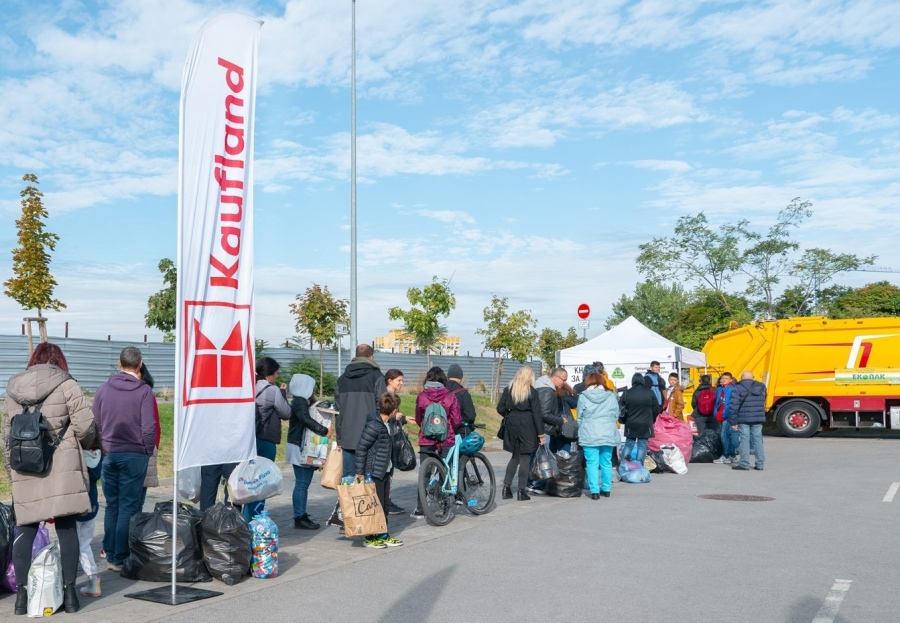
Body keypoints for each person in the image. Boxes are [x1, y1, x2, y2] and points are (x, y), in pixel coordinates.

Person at [1, 342, 96, 615]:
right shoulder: (67, 385)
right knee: (66, 530)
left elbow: (6, 437)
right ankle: (70, 596)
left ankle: (21, 598)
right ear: (60, 361)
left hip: (24, 469)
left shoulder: (11, 391)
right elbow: (86, 425)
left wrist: (13, 471)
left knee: (26, 530)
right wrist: (88, 444)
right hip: (61, 468)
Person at [93, 346, 156, 573]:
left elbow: (96, 424)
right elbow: (149, 427)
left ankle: (110, 553)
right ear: (140, 365)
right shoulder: (143, 391)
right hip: (135, 454)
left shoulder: (102, 389)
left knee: (112, 506)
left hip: (109, 454)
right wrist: (147, 451)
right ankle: (120, 556)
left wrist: (102, 448)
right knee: (128, 506)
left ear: (119, 364)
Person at [331, 344, 386, 527]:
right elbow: (382, 405)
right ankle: (369, 521)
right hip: (370, 436)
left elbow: (338, 411)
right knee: (370, 481)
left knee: (349, 479)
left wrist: (339, 438)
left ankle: (348, 519)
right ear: (371, 357)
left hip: (347, 436)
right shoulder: (376, 376)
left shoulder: (341, 379)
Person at [411, 367, 463, 517]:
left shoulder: (421, 396)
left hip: (426, 439)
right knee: (444, 472)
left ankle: (421, 508)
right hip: (446, 438)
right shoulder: (450, 396)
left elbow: (419, 419)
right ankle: (444, 506)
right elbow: (456, 419)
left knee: (425, 473)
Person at [355, 392, 404, 549]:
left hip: (385, 471)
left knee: (384, 505)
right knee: (373, 505)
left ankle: (383, 534)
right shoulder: (374, 426)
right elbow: (361, 448)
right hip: (374, 472)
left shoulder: (387, 424)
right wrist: (360, 472)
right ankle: (370, 537)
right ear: (393, 409)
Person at [245, 356, 290, 521]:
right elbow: (286, 413)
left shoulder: (249, 387)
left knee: (247, 482)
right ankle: (255, 520)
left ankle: (244, 519)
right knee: (261, 483)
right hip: (265, 440)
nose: (277, 376)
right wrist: (283, 393)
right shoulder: (273, 390)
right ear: (270, 374)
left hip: (247, 441)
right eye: (276, 373)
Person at [285, 373, 332, 529]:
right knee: (302, 483)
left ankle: (301, 513)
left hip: (302, 445)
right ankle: (299, 517)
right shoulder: (299, 401)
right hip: (299, 446)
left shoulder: (302, 401)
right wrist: (324, 430)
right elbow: (305, 419)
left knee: (303, 483)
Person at [496, 366, 544, 501]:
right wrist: (541, 434)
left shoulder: (508, 389)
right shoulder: (532, 392)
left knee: (515, 457)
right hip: (527, 424)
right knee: (525, 458)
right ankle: (522, 491)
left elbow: (500, 408)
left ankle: (506, 487)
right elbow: (536, 413)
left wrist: (509, 415)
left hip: (512, 423)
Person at [577, 373, 620, 500]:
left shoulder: (583, 396)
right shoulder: (611, 395)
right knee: (606, 462)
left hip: (590, 432)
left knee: (592, 463)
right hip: (607, 432)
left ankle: (594, 491)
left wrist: (584, 427)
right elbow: (615, 414)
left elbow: (580, 416)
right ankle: (606, 489)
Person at [529, 367, 568, 493]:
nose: (564, 383)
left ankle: (532, 482)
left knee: (537, 456)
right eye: (563, 380)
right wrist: (560, 421)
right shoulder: (547, 391)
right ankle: (535, 483)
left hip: (540, 428)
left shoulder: (542, 387)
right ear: (556, 377)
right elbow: (544, 414)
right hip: (544, 429)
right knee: (542, 458)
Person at [76, 442, 103, 599]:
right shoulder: (97, 454)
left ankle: (90, 579)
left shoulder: (77, 455)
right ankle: (93, 578)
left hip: (77, 502)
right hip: (91, 503)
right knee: (85, 543)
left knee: (75, 544)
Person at [618, 373, 661, 465]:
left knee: (629, 444)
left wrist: (624, 420)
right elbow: (657, 409)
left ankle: (623, 465)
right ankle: (639, 466)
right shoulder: (649, 392)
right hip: (645, 423)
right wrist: (652, 418)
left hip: (631, 423)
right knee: (642, 444)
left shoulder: (627, 393)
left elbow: (621, 410)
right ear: (642, 381)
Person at [729, 371, 767, 471]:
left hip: (744, 418)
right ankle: (760, 464)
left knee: (744, 439)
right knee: (758, 440)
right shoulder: (761, 387)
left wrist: (733, 421)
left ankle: (744, 463)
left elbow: (734, 405)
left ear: (742, 377)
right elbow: (763, 400)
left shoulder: (737, 387)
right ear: (753, 377)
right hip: (758, 417)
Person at [383, 368, 407, 515]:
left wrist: (403, 419)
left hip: (391, 433)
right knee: (387, 470)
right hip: (386, 436)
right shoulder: (385, 396)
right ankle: (387, 502)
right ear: (390, 381)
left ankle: (387, 500)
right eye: (399, 380)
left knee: (389, 470)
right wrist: (395, 416)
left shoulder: (392, 395)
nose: (401, 383)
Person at [138, 363, 161, 510]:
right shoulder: (147, 394)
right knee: (137, 501)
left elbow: (154, 425)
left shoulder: (145, 394)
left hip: (143, 450)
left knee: (133, 502)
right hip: (144, 450)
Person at [713, 373, 740, 464]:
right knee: (728, 436)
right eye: (722, 378)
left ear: (730, 380)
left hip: (728, 416)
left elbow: (730, 404)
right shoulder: (720, 389)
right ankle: (732, 455)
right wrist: (715, 413)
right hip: (721, 416)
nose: (723, 380)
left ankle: (726, 455)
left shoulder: (731, 389)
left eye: (726, 378)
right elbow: (718, 403)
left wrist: (725, 414)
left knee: (724, 436)